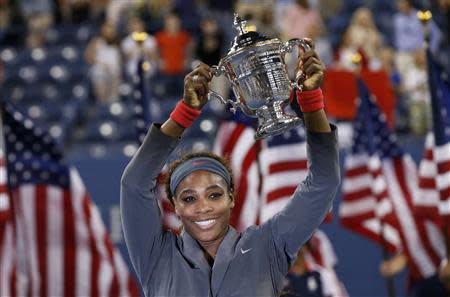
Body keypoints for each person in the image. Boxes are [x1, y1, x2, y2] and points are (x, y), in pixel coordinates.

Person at [120, 40, 340, 296]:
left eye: (214, 194)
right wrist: (185, 113)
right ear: (175, 206)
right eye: (189, 198)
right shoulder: (156, 257)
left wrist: (311, 101)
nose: (203, 207)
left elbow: (324, 181)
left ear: (232, 198)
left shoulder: (267, 246)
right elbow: (134, 183)